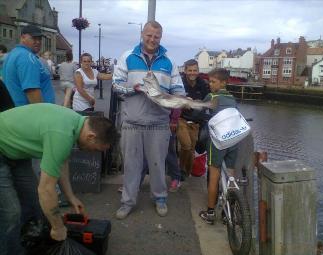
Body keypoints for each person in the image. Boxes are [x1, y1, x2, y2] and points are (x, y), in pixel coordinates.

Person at [0, 103, 118, 254]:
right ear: (91, 136)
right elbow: (46, 190)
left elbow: (61, 163)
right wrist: (57, 227)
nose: (92, 153)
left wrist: (71, 197)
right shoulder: (62, 134)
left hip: (16, 152)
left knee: (32, 202)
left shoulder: (75, 122)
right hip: (2, 147)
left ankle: (27, 243)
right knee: (11, 213)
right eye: (96, 149)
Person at [113, 21, 185, 219]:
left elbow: (178, 89)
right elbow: (116, 85)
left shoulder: (169, 61)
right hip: (132, 123)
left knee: (158, 165)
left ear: (161, 38)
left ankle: (160, 197)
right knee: (131, 165)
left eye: (157, 37)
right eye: (149, 35)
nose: (152, 40)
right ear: (142, 34)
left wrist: (180, 99)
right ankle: (128, 201)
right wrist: (133, 88)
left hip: (159, 123)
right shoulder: (128, 57)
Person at [198, 68, 238, 225]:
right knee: (231, 177)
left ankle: (210, 212)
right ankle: (228, 211)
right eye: (209, 81)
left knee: (213, 179)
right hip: (233, 140)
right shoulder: (233, 98)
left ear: (223, 83)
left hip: (218, 142)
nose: (210, 84)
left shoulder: (211, 96)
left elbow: (199, 110)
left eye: (213, 82)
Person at [3, 25, 55, 106]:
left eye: (39, 39)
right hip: (31, 114)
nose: (38, 41)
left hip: (17, 111)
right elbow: (32, 90)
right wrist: (45, 115)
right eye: (34, 38)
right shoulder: (27, 57)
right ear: (23, 37)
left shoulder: (13, 53)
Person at [177, 59, 210, 177]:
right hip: (181, 119)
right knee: (186, 145)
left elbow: (208, 100)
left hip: (196, 121)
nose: (192, 73)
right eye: (189, 70)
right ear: (185, 71)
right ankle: (179, 169)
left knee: (191, 150)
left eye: (195, 70)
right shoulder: (179, 84)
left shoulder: (203, 84)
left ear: (198, 71)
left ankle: (186, 173)